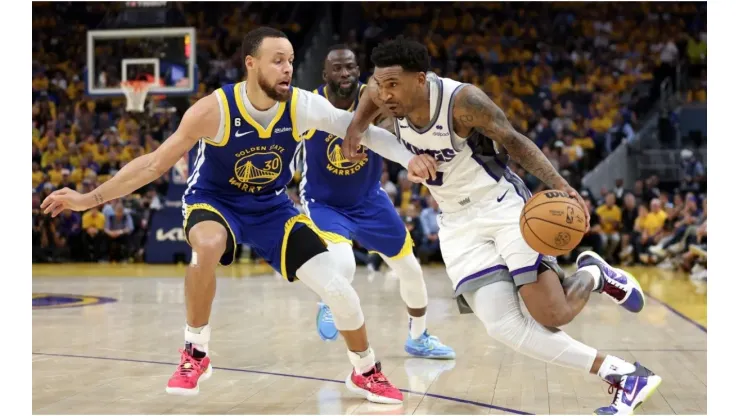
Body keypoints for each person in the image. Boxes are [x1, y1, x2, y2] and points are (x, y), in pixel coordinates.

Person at [41, 28, 439, 405]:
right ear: (251, 64)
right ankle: (195, 350)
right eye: (277, 60)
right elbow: (153, 165)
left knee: (338, 288)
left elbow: (364, 131)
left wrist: (409, 158)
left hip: (271, 207)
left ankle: (364, 369)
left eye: (291, 60)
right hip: (215, 203)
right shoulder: (213, 109)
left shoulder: (302, 106)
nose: (287, 68)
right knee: (208, 246)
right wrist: (88, 198)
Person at [341, 38, 661, 414]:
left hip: (502, 206)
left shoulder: (462, 102)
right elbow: (366, 99)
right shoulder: (381, 94)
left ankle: (593, 274)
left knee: (551, 315)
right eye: (380, 83)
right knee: (502, 326)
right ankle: (623, 374)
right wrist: (355, 130)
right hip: (456, 225)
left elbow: (515, 141)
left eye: (393, 84)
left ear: (421, 80)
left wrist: (562, 186)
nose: (384, 93)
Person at [298, 45, 454, 359]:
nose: (345, 74)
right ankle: (329, 300)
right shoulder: (308, 104)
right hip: (324, 202)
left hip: (369, 200)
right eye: (338, 69)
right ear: (324, 74)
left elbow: (384, 137)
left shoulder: (377, 99)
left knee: (410, 270)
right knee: (344, 262)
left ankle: (418, 337)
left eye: (351, 68)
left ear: (360, 71)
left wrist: (412, 158)